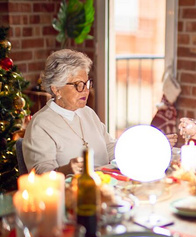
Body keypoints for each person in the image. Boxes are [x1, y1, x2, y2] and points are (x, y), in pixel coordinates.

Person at [23, 49, 177, 175]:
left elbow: (111, 149)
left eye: (87, 83)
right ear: (57, 89)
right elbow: (40, 176)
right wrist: (67, 170)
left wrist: (148, 146)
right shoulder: (41, 125)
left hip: (107, 186)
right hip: (73, 197)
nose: (86, 90)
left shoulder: (87, 113)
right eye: (78, 85)